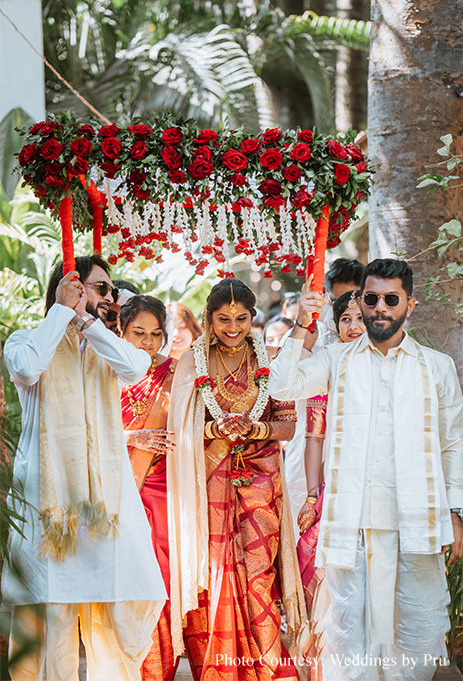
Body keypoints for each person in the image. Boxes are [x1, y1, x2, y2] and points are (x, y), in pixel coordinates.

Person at [269, 258, 463, 680]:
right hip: (351, 523)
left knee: (416, 630)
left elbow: (453, 444)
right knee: (345, 636)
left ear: (409, 305)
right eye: (370, 298)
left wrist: (457, 510)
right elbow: (282, 386)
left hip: (415, 520)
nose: (379, 308)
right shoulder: (337, 359)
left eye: (390, 299)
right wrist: (303, 320)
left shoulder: (436, 367)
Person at [3, 255, 167, 681]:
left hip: (105, 509)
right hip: (49, 503)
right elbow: (27, 367)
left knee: (117, 612)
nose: (110, 297)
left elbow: (136, 368)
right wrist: (62, 311)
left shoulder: (108, 347)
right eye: (101, 288)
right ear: (67, 288)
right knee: (51, 616)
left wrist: (90, 324)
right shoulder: (26, 339)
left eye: (111, 290)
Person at [167, 278, 308, 681]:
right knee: (215, 575)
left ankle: (266, 666)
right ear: (209, 319)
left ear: (253, 318)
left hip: (260, 485)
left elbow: (287, 424)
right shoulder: (192, 362)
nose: (233, 327)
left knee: (259, 577)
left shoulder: (272, 359)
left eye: (241, 319)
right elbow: (180, 425)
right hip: (207, 481)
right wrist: (213, 432)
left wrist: (254, 430)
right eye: (224, 319)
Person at [296, 290, 366, 680]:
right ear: (335, 327)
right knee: (327, 579)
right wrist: (311, 495)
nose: (354, 326)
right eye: (346, 320)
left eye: (360, 318)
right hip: (336, 494)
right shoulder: (328, 369)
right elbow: (313, 439)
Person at [120, 295, 177, 681]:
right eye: (138, 333)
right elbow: (87, 428)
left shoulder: (175, 373)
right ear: (120, 332)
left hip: (163, 489)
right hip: (118, 484)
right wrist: (135, 436)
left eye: (156, 334)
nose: (148, 342)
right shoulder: (106, 369)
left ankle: (159, 668)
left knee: (160, 579)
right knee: (124, 579)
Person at [321, 258, 365, 344]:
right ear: (325, 294)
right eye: (337, 302)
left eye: (354, 302)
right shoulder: (314, 332)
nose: (352, 327)